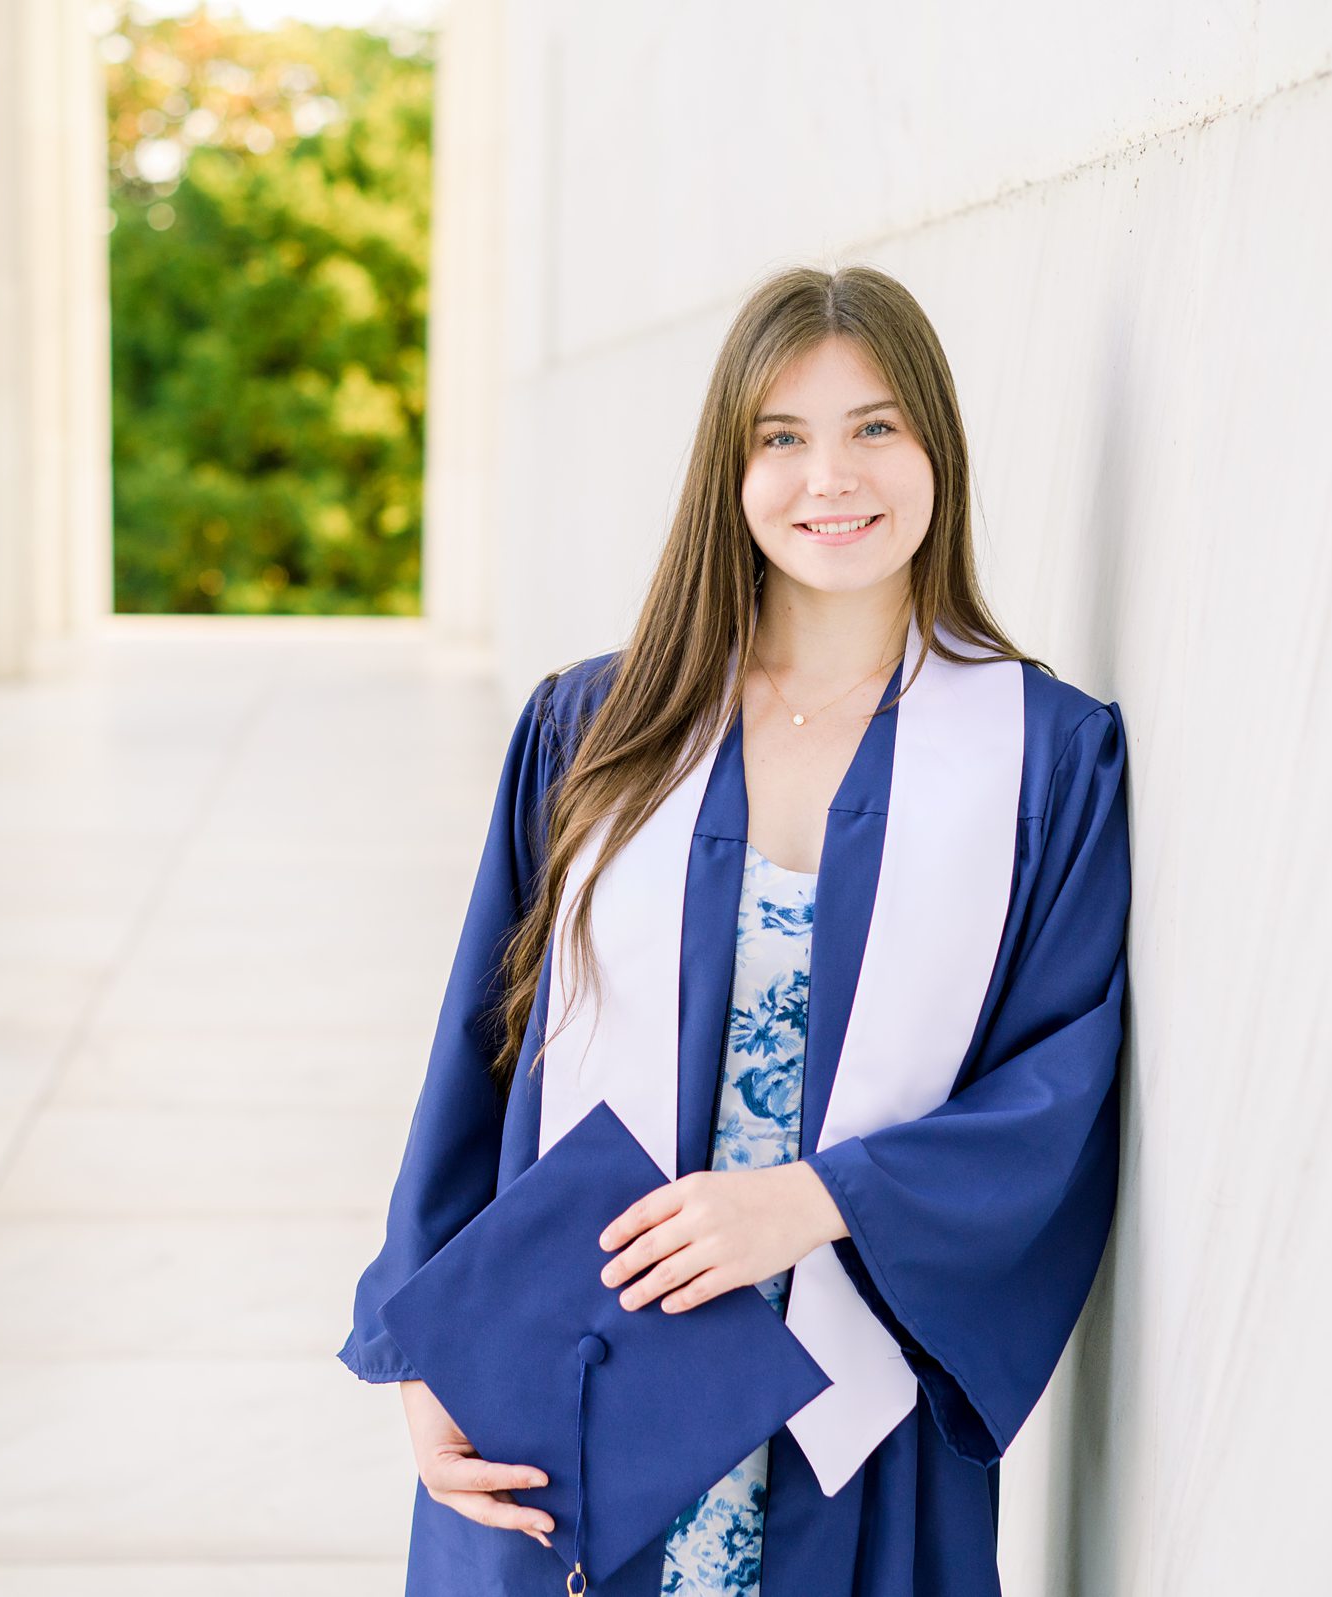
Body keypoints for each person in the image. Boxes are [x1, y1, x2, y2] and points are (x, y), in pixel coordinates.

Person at [338, 262, 1134, 1596]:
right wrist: (432, 1341)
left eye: (877, 426)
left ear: (939, 446)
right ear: (732, 467)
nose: (834, 478)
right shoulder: (598, 728)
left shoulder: (1043, 760)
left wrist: (814, 1200)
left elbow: (1061, 1083)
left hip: (855, 1402)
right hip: (578, 1375)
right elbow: (482, 1053)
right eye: (784, 438)